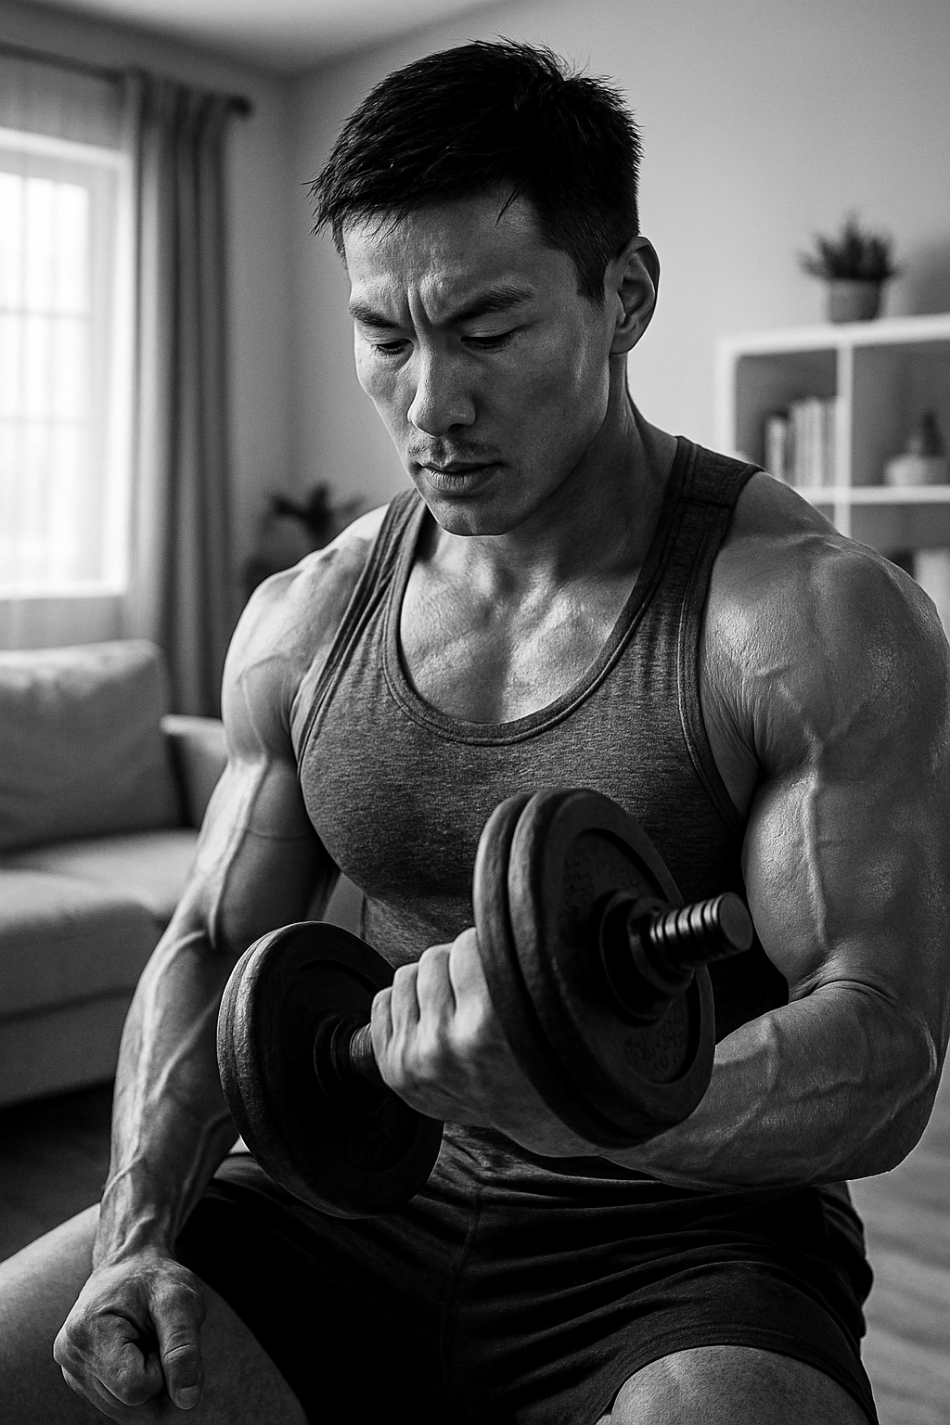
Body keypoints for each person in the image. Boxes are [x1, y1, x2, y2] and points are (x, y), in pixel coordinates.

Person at [1, 39, 949, 1425]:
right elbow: (209, 940)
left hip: (685, 1237)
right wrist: (138, 1227)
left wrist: (572, 1106)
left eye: (486, 330)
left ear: (622, 297)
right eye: (383, 336)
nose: (427, 403)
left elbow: (882, 1056)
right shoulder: (308, 616)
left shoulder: (805, 619)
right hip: (344, 1197)